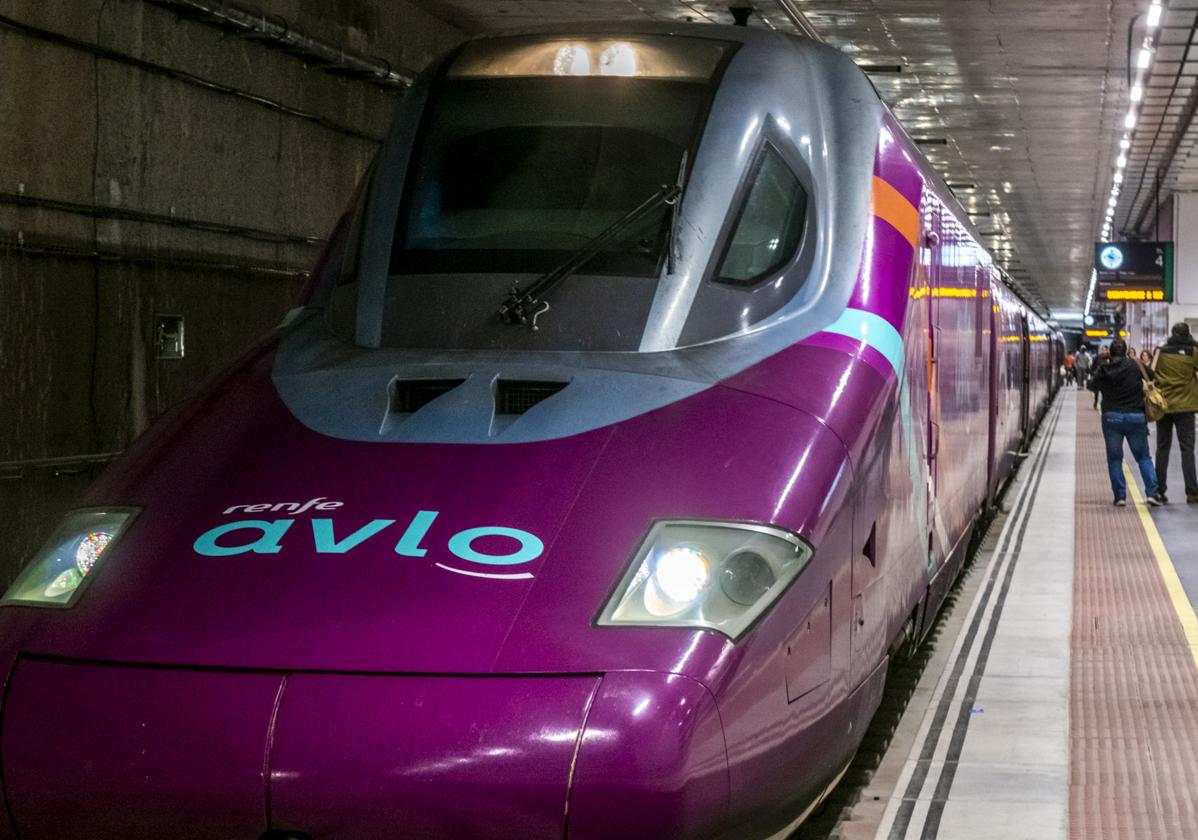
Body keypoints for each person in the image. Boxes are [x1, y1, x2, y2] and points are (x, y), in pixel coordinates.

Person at [1092, 339, 1162, 506]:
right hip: (1135, 416)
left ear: (1110, 352)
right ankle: (1152, 493)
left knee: (1115, 459)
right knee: (1143, 457)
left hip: (1111, 416)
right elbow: (1152, 376)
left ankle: (1120, 497)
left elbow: (1093, 385)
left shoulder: (1103, 369)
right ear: (1125, 351)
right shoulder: (1135, 365)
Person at [1152, 322, 1198, 503]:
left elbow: (1150, 372)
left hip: (1163, 407)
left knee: (1162, 449)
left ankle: (1159, 490)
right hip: (1185, 408)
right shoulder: (1192, 353)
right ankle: (1192, 491)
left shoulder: (1160, 352)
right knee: (1187, 449)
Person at [1091, 344, 1111, 409]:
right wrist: (1093, 373)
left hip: (1107, 378)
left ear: (1108, 350)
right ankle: (1096, 401)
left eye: (1105, 350)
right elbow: (1093, 367)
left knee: (1105, 392)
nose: (1104, 351)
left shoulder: (1110, 358)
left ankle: (1104, 403)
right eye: (1103, 350)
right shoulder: (1097, 358)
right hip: (1098, 377)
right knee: (1097, 391)